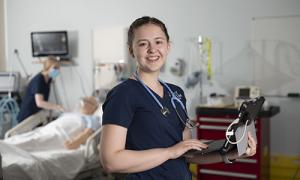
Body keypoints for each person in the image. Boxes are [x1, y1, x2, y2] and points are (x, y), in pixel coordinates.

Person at [99, 16, 257, 180]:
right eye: (143, 43)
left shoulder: (176, 93)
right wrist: (170, 152)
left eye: (158, 42)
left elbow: (187, 153)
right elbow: (111, 161)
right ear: (131, 50)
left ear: (168, 46)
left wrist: (233, 152)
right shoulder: (122, 94)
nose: (152, 49)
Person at [4, 96, 101, 151]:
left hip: (60, 136)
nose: (83, 101)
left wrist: (75, 142)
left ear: (94, 107)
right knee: (26, 137)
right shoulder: (70, 113)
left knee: (33, 141)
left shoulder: (93, 118)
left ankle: (4, 148)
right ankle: (4, 146)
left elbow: (88, 133)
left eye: (88, 101)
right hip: (47, 130)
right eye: (84, 99)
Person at [17, 56, 65, 123]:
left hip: (35, 114)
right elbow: (40, 103)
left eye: (58, 68)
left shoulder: (49, 79)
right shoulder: (39, 80)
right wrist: (57, 107)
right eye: (55, 68)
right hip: (26, 115)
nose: (57, 70)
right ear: (47, 67)